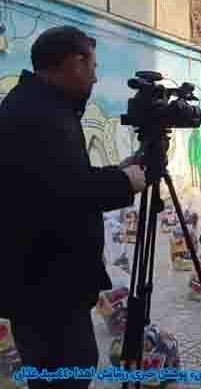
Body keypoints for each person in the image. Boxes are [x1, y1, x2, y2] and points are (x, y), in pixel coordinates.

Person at [0, 26, 147, 389]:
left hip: (41, 281)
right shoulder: (40, 115)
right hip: (48, 286)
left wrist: (118, 171)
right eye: (92, 66)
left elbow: (60, 178)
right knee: (68, 371)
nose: (96, 76)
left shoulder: (36, 105)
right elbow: (70, 189)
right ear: (73, 63)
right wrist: (128, 181)